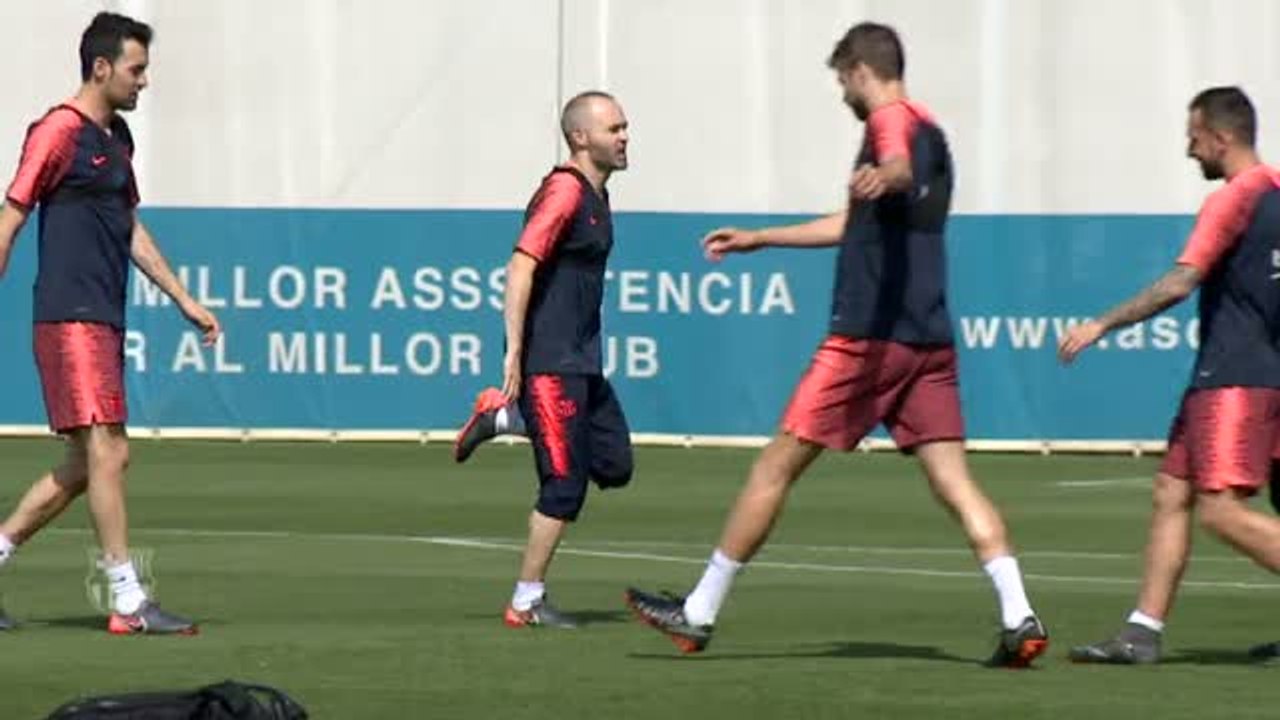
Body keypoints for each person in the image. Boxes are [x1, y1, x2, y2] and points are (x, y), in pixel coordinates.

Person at [622, 22, 1048, 667]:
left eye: (842, 80)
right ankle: (1019, 614)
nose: (842, 93)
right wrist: (762, 239)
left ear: (858, 71)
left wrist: (890, 175)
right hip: (928, 340)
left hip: (866, 342)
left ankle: (698, 611)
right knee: (955, 482)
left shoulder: (890, 125)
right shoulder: (937, 131)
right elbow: (856, 222)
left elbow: (894, 157)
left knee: (775, 466)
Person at [0, 12, 220, 635]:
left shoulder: (116, 138)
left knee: (84, 464)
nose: (144, 82)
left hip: (103, 316)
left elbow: (130, 229)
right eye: (136, 69)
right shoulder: (56, 132)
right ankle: (128, 601)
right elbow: (11, 216)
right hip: (69, 317)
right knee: (110, 451)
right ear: (101, 68)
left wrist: (184, 299)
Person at [1062, 86, 1280, 664]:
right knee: (1171, 492)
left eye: (1194, 138)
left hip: (1234, 374)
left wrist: (1100, 324)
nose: (1190, 151)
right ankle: (1141, 632)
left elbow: (1181, 281)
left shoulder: (1233, 199)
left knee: (1220, 510)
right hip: (1254, 371)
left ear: (1222, 137)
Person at [454, 91, 634, 628]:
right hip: (551, 364)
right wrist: (515, 353)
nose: (625, 137)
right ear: (580, 137)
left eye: (626, 127)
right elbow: (520, 267)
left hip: (583, 363)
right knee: (564, 486)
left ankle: (508, 418)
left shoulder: (599, 197)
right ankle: (525, 601)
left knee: (616, 465)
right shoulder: (563, 192)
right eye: (614, 128)